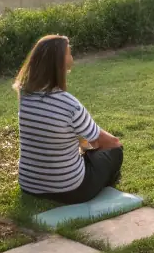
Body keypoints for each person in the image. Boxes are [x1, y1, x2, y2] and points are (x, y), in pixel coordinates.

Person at [15, 34, 124, 203]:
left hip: (29, 185)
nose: (72, 58)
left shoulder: (24, 96)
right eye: (69, 53)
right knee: (116, 150)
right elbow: (110, 142)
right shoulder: (69, 104)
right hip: (71, 190)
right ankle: (105, 183)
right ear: (59, 63)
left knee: (86, 147)